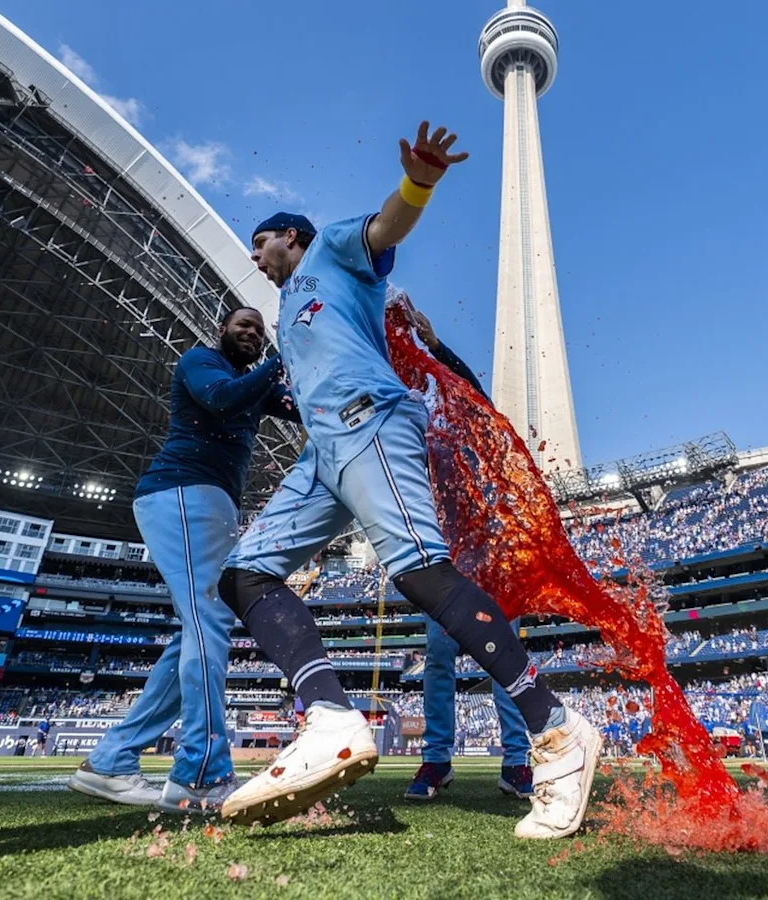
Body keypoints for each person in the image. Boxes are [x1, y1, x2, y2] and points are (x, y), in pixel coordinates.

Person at [216, 121, 600, 840]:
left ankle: (556, 726)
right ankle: (330, 716)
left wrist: (417, 181)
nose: (254, 255)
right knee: (243, 573)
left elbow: (387, 227)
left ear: (286, 236)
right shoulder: (286, 315)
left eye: (260, 243)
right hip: (325, 453)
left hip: (373, 423)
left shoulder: (327, 249)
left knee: (423, 575)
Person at [68, 307, 299, 812]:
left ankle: (111, 761)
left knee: (196, 631)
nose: (253, 332)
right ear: (223, 330)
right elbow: (220, 399)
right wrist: (277, 360)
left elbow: (302, 407)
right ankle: (200, 772)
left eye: (260, 330)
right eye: (245, 324)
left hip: (205, 499)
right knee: (209, 619)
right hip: (181, 490)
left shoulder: (256, 381)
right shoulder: (202, 361)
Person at [400, 306, 532, 802]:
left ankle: (516, 760)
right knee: (438, 655)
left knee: (504, 651)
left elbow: (474, 392)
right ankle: (437, 759)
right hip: (443, 552)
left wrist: (436, 346)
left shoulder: (460, 414)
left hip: (488, 550)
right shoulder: (405, 416)